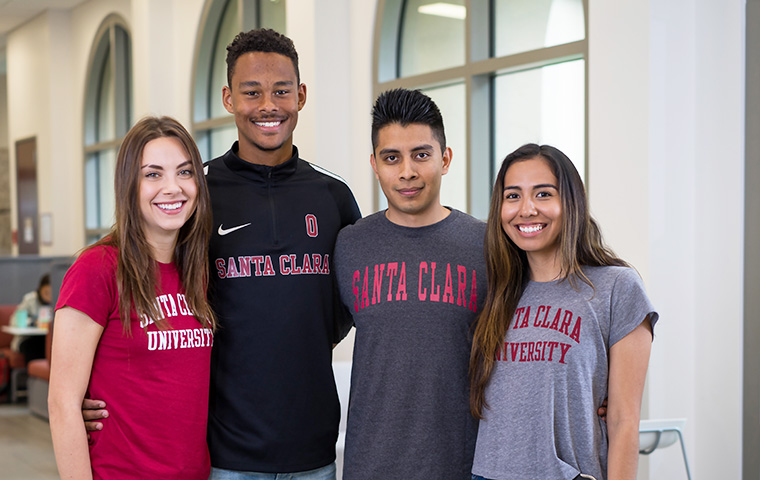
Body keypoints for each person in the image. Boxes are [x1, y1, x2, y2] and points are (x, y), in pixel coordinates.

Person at [83, 29, 361, 479]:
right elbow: (151, 288)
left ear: (301, 96)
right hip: (223, 455)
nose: (268, 105)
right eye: (252, 92)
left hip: (314, 450)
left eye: (281, 91)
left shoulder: (334, 197)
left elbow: (343, 308)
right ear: (230, 99)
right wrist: (89, 387)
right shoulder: (198, 195)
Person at [469, 144, 658, 480]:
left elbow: (623, 420)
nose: (526, 209)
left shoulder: (616, 288)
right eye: (513, 196)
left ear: (571, 202)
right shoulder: (498, 292)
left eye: (543, 194)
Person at [48, 116, 216, 479]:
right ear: (129, 185)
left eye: (185, 172)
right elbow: (62, 404)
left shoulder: (196, 270)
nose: (172, 187)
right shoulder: (98, 268)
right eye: (153, 174)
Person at [333, 88, 486, 479]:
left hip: (462, 466)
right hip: (370, 467)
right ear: (374, 164)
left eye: (421, 154)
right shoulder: (349, 245)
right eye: (391, 158)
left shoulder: (486, 246)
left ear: (445, 158)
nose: (407, 172)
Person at [10, 273, 52, 364]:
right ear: (40, 289)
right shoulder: (30, 299)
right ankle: (32, 375)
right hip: (27, 339)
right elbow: (14, 321)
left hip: (47, 338)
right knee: (33, 345)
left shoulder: (58, 301)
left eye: (51, 293)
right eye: (46, 292)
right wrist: (33, 322)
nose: (49, 297)